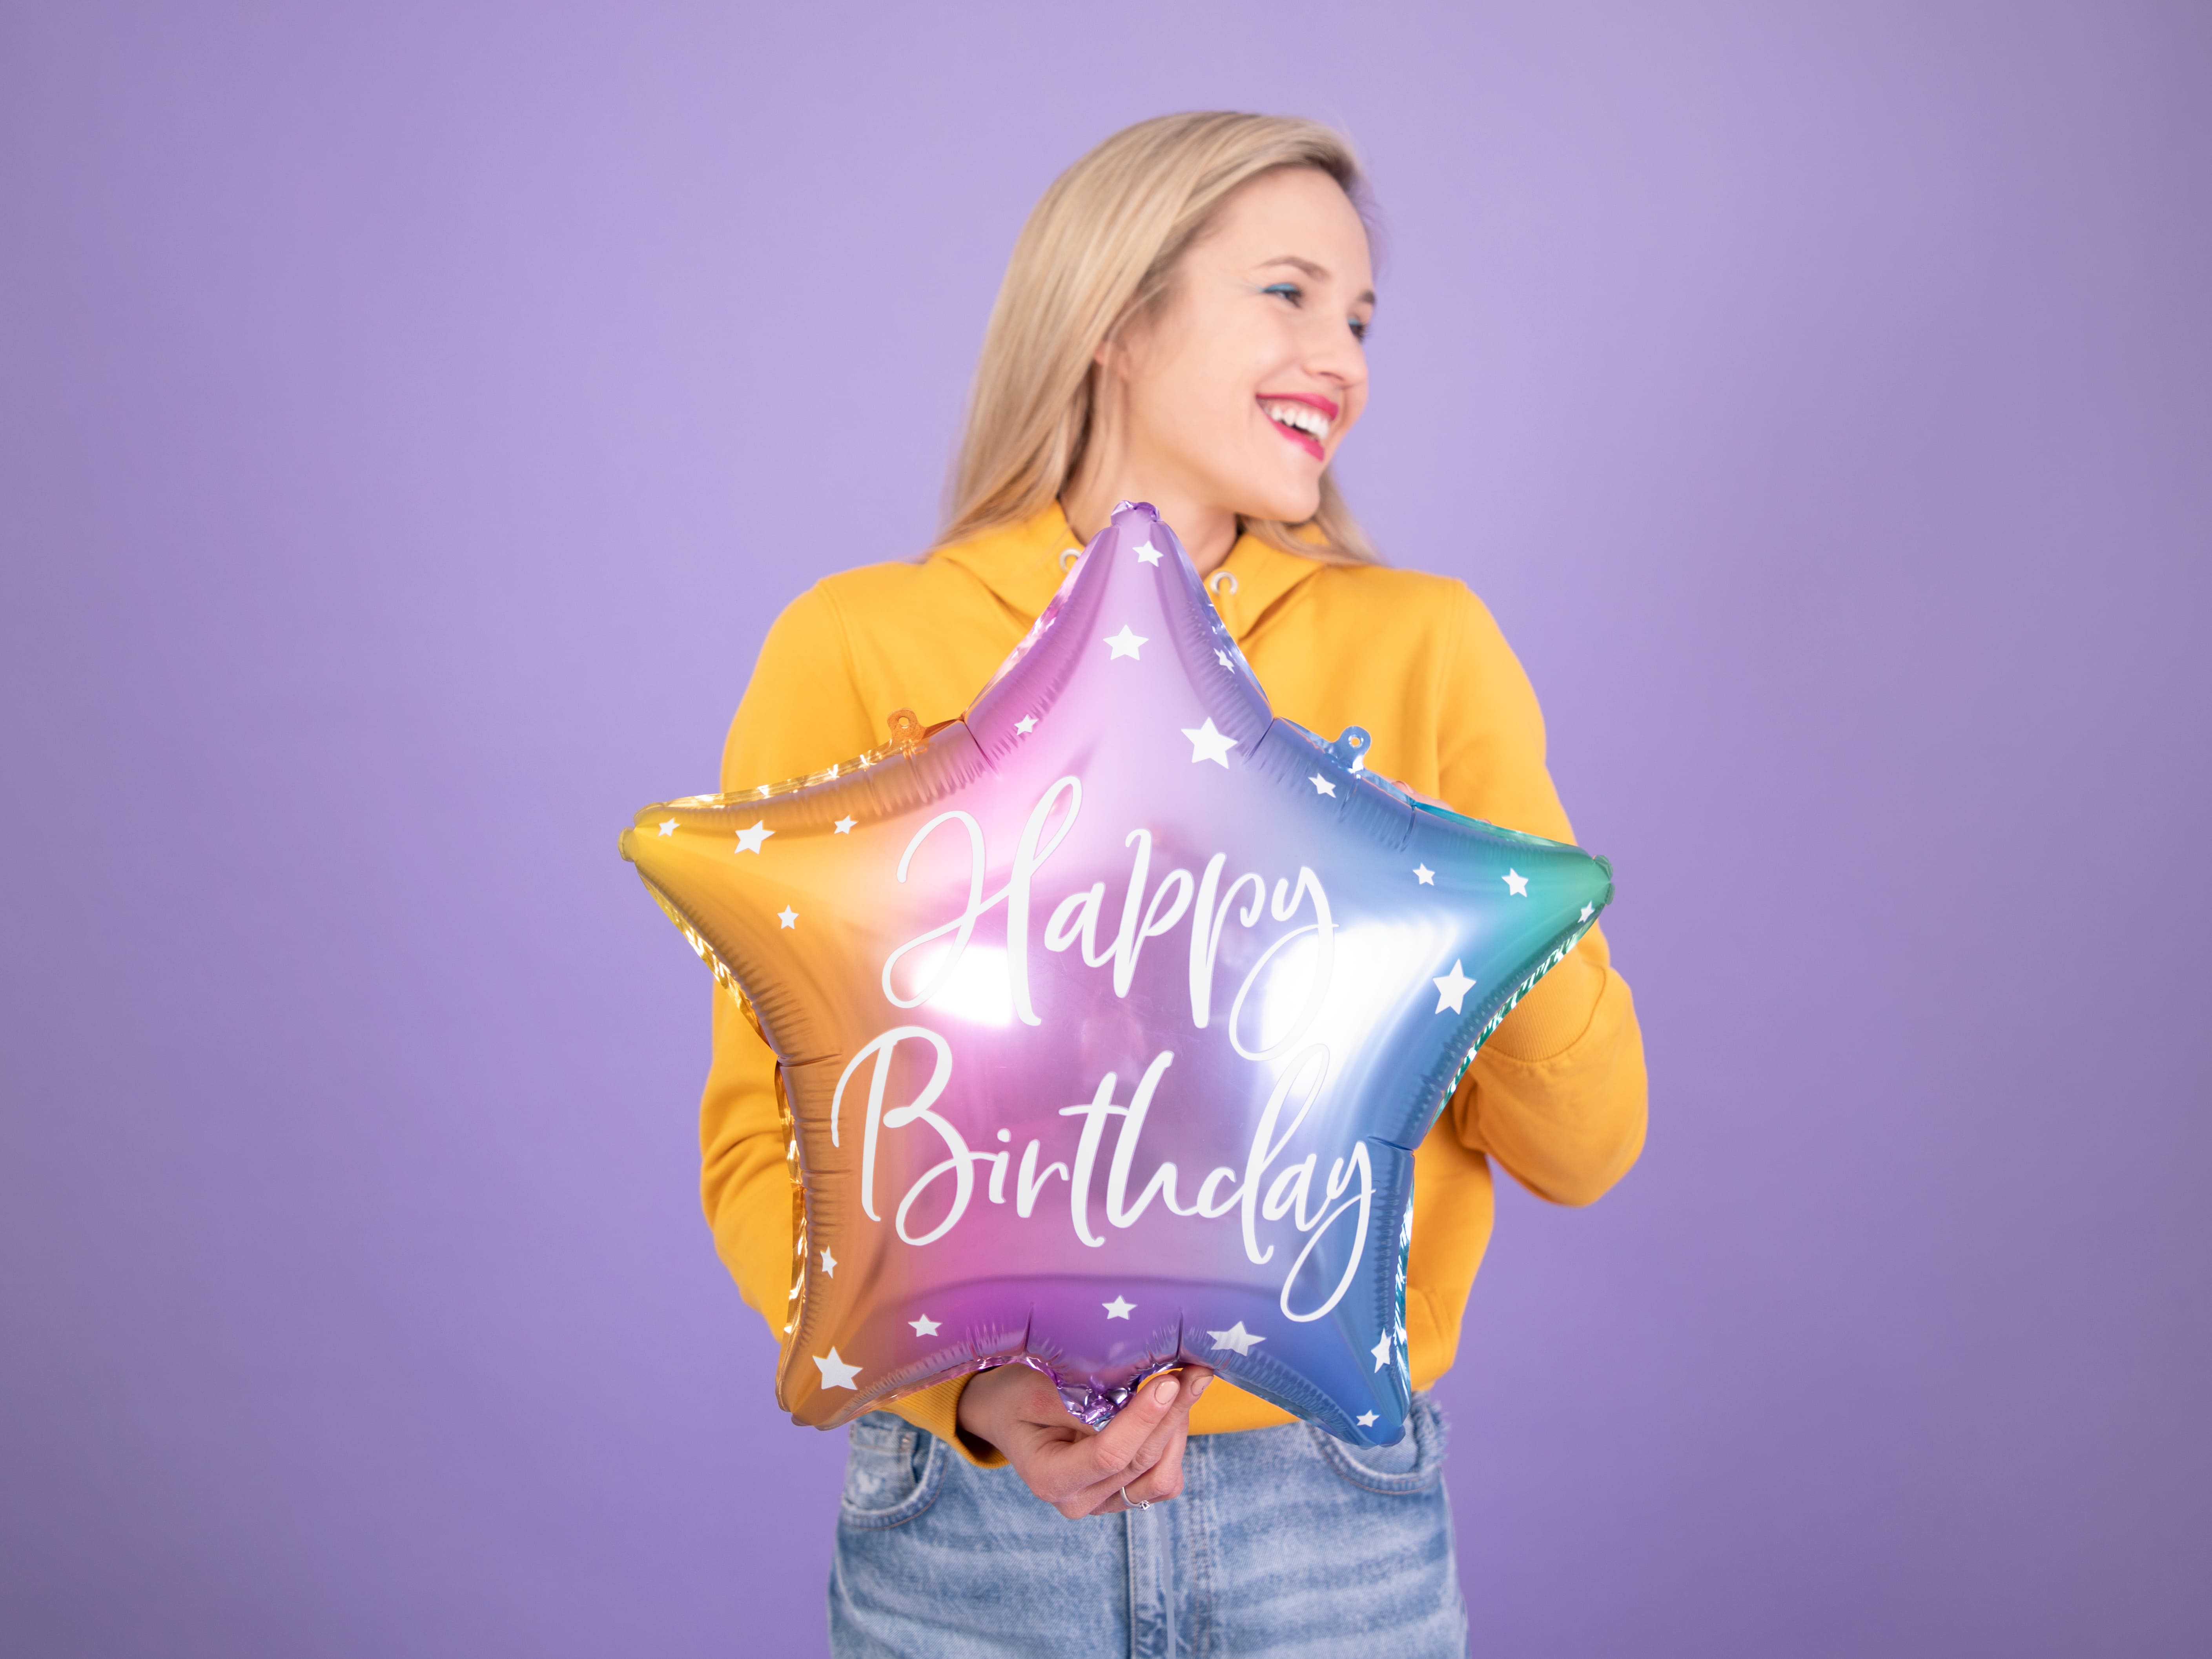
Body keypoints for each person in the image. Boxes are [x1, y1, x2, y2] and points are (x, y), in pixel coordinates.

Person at [699, 111, 1647, 1657]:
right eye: (1287, 293)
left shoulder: (1424, 649)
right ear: (1118, 321)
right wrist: (972, 1398)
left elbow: (1584, 1146)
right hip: (965, 1533)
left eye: (1359, 319)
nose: (1340, 358)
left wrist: (1472, 885)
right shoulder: (860, 649)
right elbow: (768, 1143)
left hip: (1329, 1515)